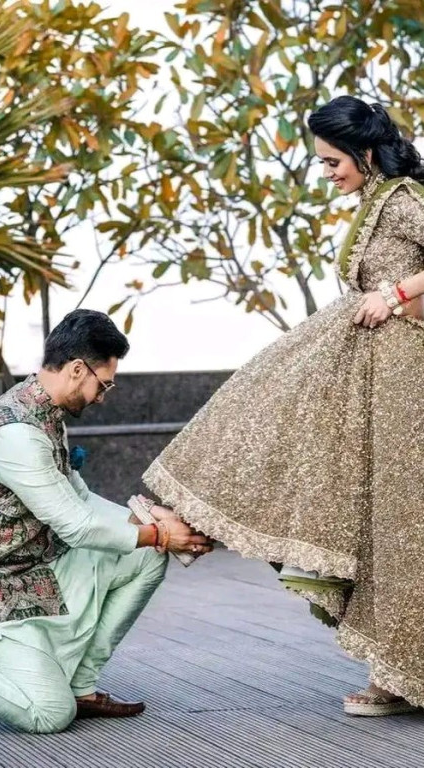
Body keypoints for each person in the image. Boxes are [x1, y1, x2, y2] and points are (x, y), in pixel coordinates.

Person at [143, 95, 424, 717]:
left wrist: (396, 294)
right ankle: (188, 513)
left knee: (398, 525)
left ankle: (401, 673)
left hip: (403, 386)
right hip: (371, 380)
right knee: (268, 412)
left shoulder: (405, 200)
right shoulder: (376, 202)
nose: (326, 173)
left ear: (365, 153)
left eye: (331, 161)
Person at [0, 309, 211, 733]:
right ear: (78, 370)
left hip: (37, 569)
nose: (102, 396)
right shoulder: (15, 433)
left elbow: (78, 497)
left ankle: (82, 687)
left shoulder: (45, 415)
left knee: (145, 557)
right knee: (49, 715)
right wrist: (159, 534)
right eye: (104, 383)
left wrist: (150, 519)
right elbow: (75, 525)